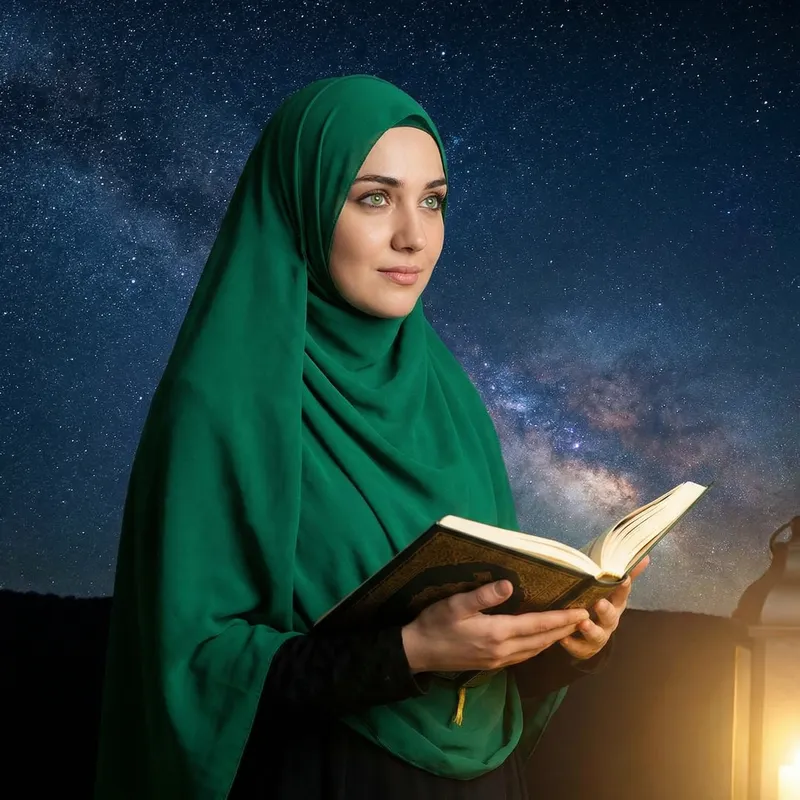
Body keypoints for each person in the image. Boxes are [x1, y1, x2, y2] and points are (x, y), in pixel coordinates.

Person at [93, 74, 648, 800]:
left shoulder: (448, 397)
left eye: (434, 201)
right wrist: (408, 652)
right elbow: (192, 668)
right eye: (373, 198)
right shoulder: (221, 402)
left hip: (487, 778)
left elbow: (483, 656)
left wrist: (567, 646)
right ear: (303, 204)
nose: (414, 236)